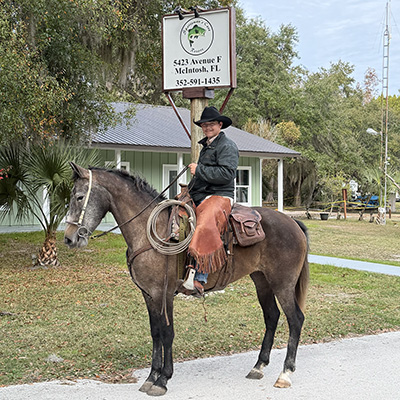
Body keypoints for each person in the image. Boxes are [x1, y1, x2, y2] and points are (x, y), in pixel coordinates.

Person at [182, 106, 239, 295]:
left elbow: (227, 174)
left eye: (211, 124)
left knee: (206, 223)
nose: (207, 128)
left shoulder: (227, 146)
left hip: (220, 195)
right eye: (204, 125)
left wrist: (199, 170)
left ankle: (199, 277)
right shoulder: (207, 145)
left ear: (220, 125)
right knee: (175, 211)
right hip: (200, 193)